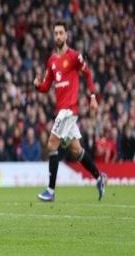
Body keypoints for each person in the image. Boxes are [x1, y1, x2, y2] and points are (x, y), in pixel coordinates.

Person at [34, 21, 106, 201]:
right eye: (56, 33)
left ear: (66, 35)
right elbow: (46, 86)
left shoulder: (74, 57)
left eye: (61, 33)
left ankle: (50, 191)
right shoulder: (51, 61)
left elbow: (88, 74)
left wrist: (92, 96)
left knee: (52, 144)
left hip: (69, 109)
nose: (58, 36)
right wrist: (37, 85)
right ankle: (99, 177)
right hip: (61, 110)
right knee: (76, 150)